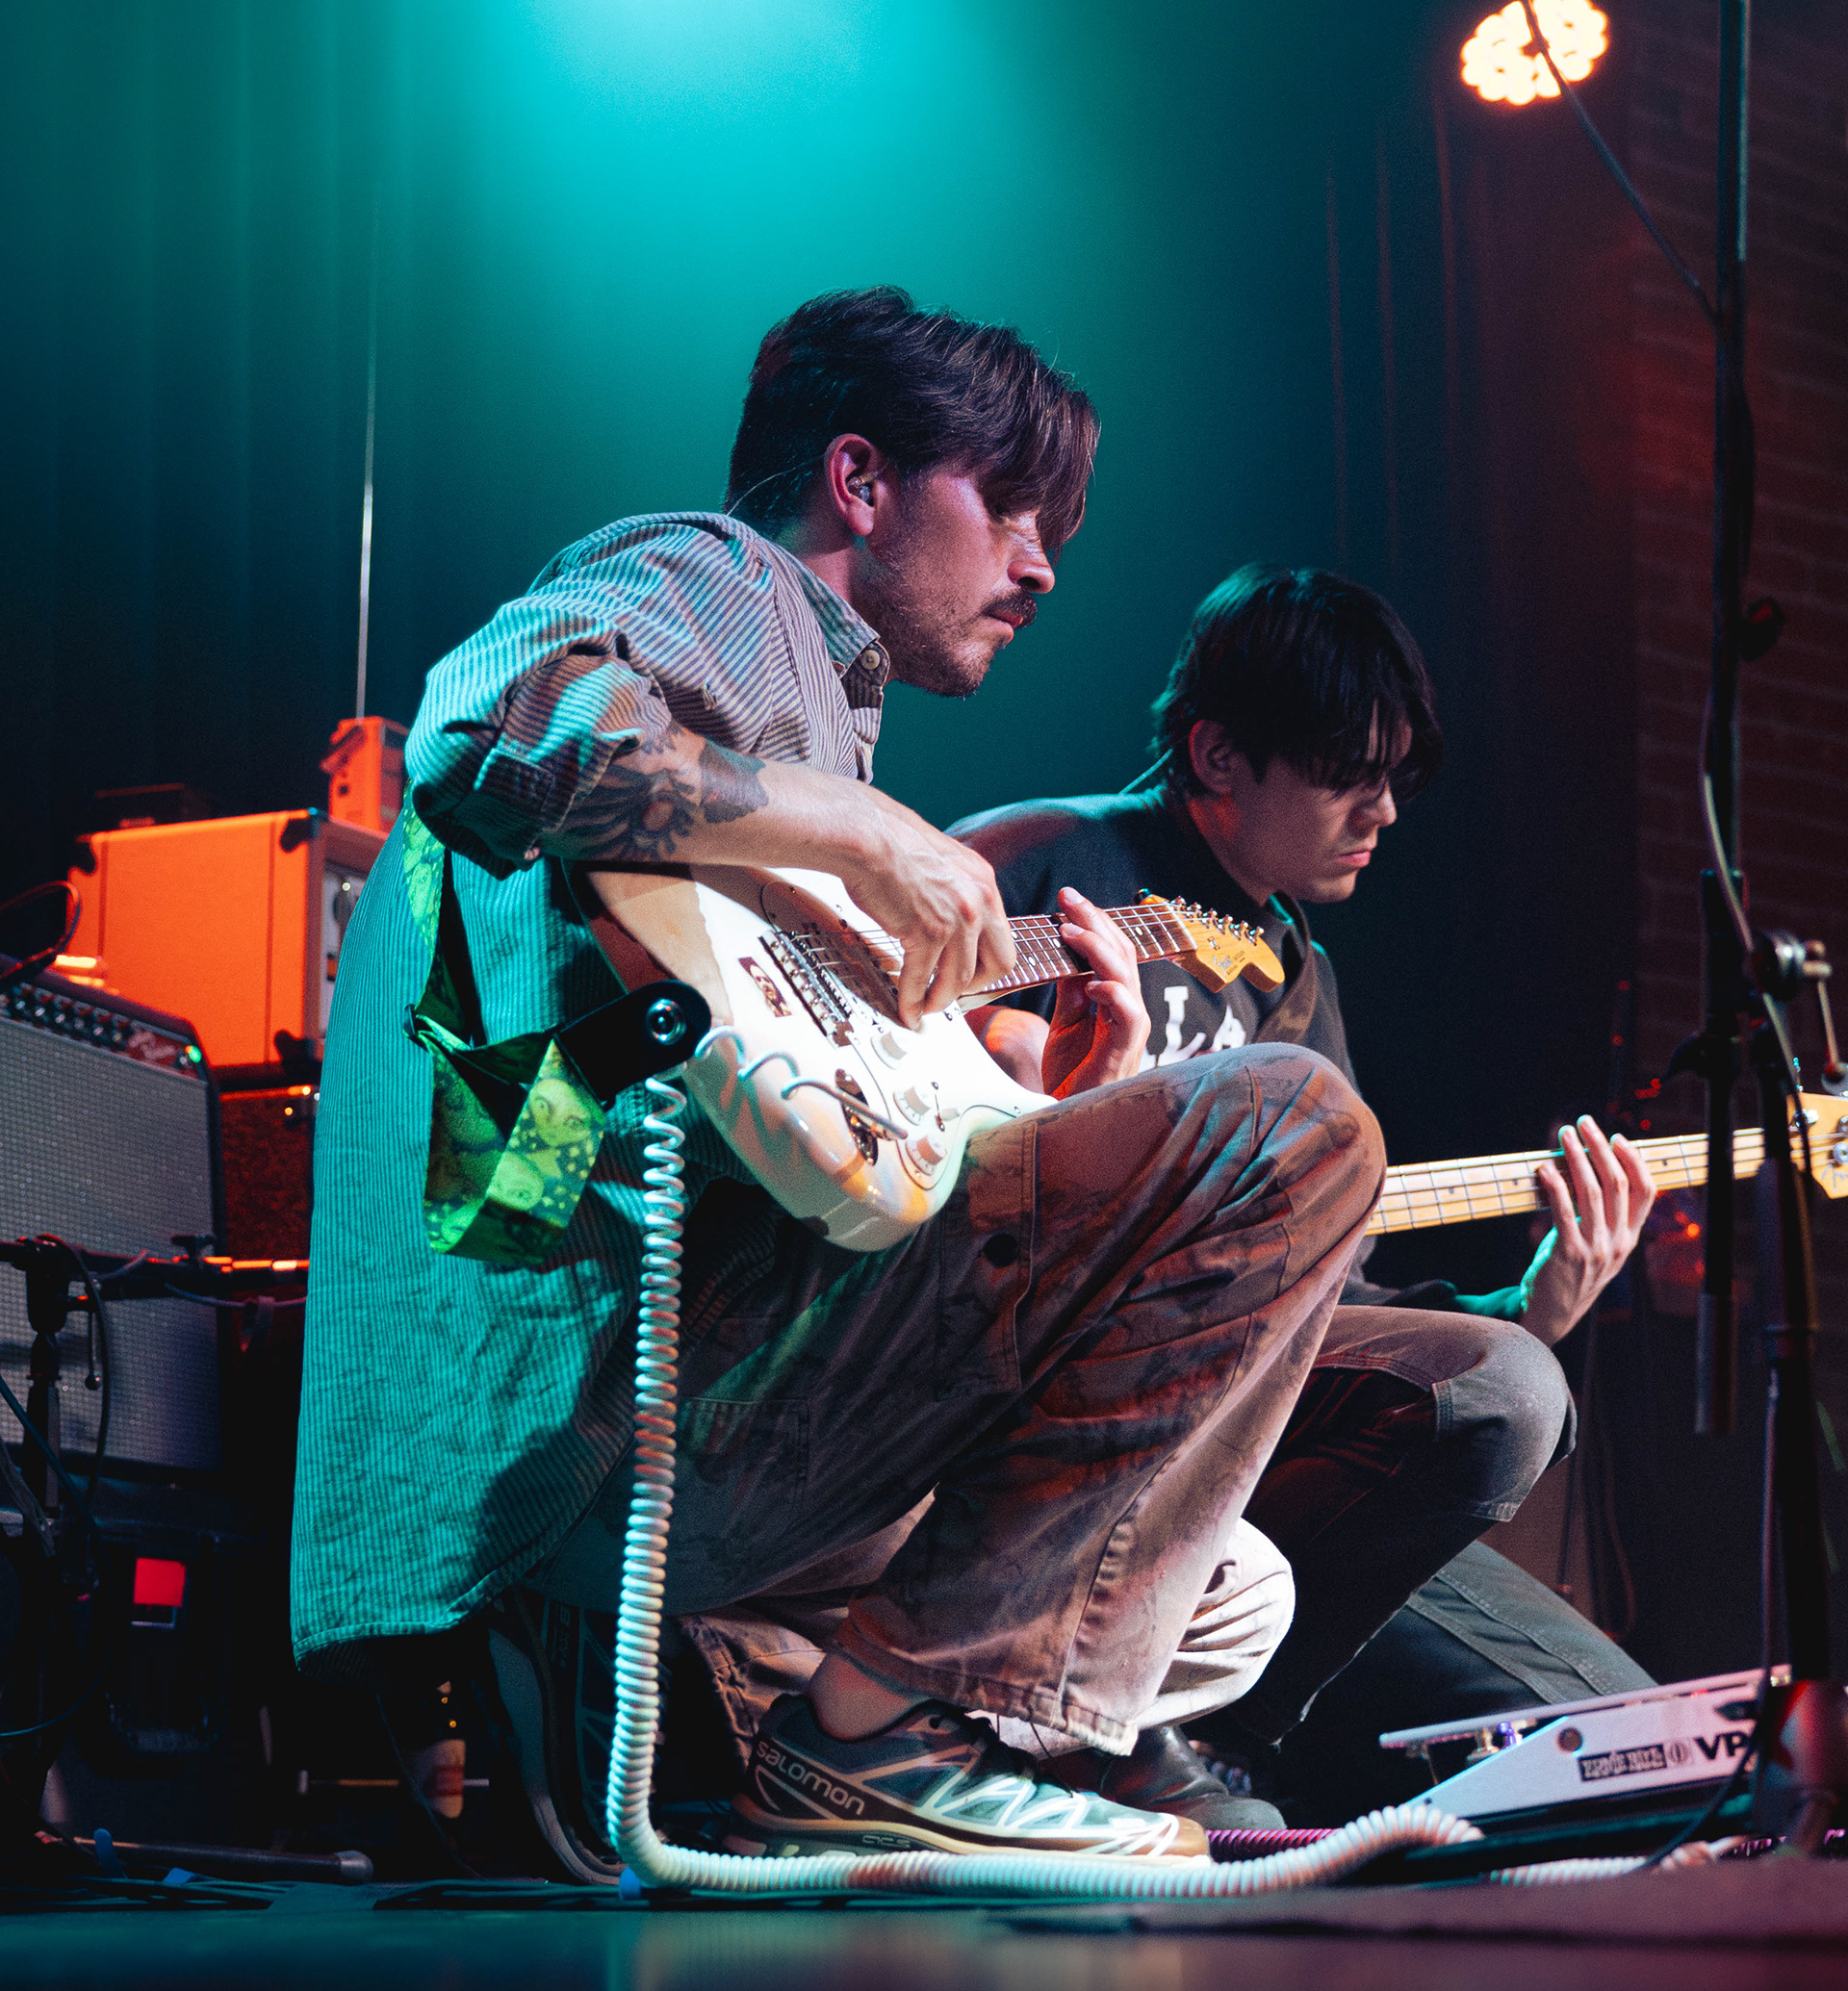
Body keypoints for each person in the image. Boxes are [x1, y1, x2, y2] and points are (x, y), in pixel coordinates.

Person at [291, 297, 1386, 1879]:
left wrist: (1057, 1103)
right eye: (1009, 507)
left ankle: (808, 1709)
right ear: (860, 481)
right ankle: (876, 1745)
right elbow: (488, 741)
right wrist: (865, 833)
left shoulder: (804, 747)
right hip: (595, 1432)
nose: (1042, 564)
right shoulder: (726, 587)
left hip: (617, 1453)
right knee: (1293, 1127)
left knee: (1227, 1594)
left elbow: (798, 1146)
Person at [950, 565, 1659, 1822]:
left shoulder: (1295, 973)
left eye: (1396, 777)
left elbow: (1340, 1307)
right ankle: (1126, 1748)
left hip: (1261, 1469)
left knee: (1627, 1742)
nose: (1382, 811)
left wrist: (1530, 1302)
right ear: (1218, 755)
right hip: (1053, 1457)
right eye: (1349, 770)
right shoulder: (1035, 863)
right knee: (1504, 1393)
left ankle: (1212, 1743)